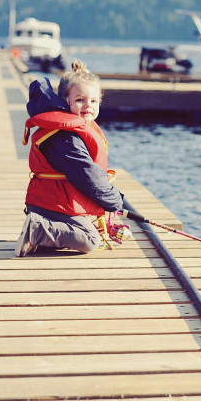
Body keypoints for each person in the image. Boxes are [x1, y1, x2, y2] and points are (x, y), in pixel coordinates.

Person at [15, 60, 124, 256]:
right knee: (91, 240)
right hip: (51, 204)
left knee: (88, 233)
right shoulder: (64, 137)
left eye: (93, 101)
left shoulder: (76, 128)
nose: (88, 106)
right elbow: (87, 175)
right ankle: (37, 228)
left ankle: (40, 232)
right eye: (80, 100)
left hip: (56, 202)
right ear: (66, 101)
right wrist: (114, 199)